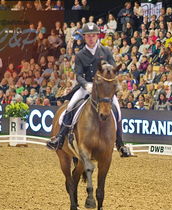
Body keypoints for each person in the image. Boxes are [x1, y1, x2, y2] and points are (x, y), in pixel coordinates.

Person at [47, 22, 131, 157]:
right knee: (70, 107)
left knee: (117, 111)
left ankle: (120, 144)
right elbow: (78, 75)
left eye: (93, 35)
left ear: (97, 36)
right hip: (86, 88)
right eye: (88, 36)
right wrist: (86, 85)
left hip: (103, 89)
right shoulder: (80, 55)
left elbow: (113, 70)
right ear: (84, 38)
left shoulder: (106, 51)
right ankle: (60, 137)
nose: (91, 38)